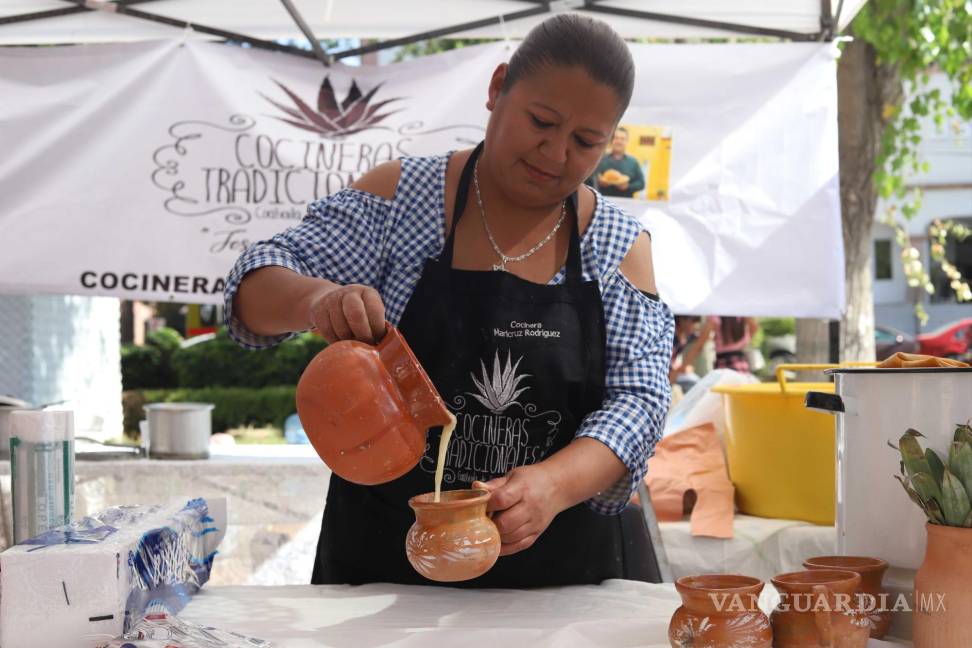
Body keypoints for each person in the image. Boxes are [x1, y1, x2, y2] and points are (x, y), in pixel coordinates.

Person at [225, 14, 674, 588]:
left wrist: (553, 486)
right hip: (388, 570)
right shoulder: (400, 199)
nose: (554, 152)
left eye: (584, 141)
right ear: (497, 88)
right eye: (541, 121)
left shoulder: (617, 244)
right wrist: (319, 300)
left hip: (560, 581)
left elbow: (639, 401)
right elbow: (249, 293)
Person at [594, 127, 645, 198]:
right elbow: (589, 178)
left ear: (627, 142)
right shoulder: (600, 159)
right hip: (602, 200)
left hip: (626, 202)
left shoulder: (633, 162)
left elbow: (641, 184)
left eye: (622, 139)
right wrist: (598, 181)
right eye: (616, 138)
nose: (619, 141)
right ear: (611, 140)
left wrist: (628, 187)